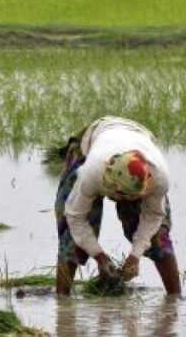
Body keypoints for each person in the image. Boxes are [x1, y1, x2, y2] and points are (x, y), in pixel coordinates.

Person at [54, 116, 180, 296]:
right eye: (114, 195)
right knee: (71, 239)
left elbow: (153, 217)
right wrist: (99, 256)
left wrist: (134, 256)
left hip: (138, 139)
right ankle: (62, 306)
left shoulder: (159, 178)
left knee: (158, 236)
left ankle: (174, 302)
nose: (116, 202)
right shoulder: (91, 172)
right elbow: (75, 216)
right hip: (92, 141)